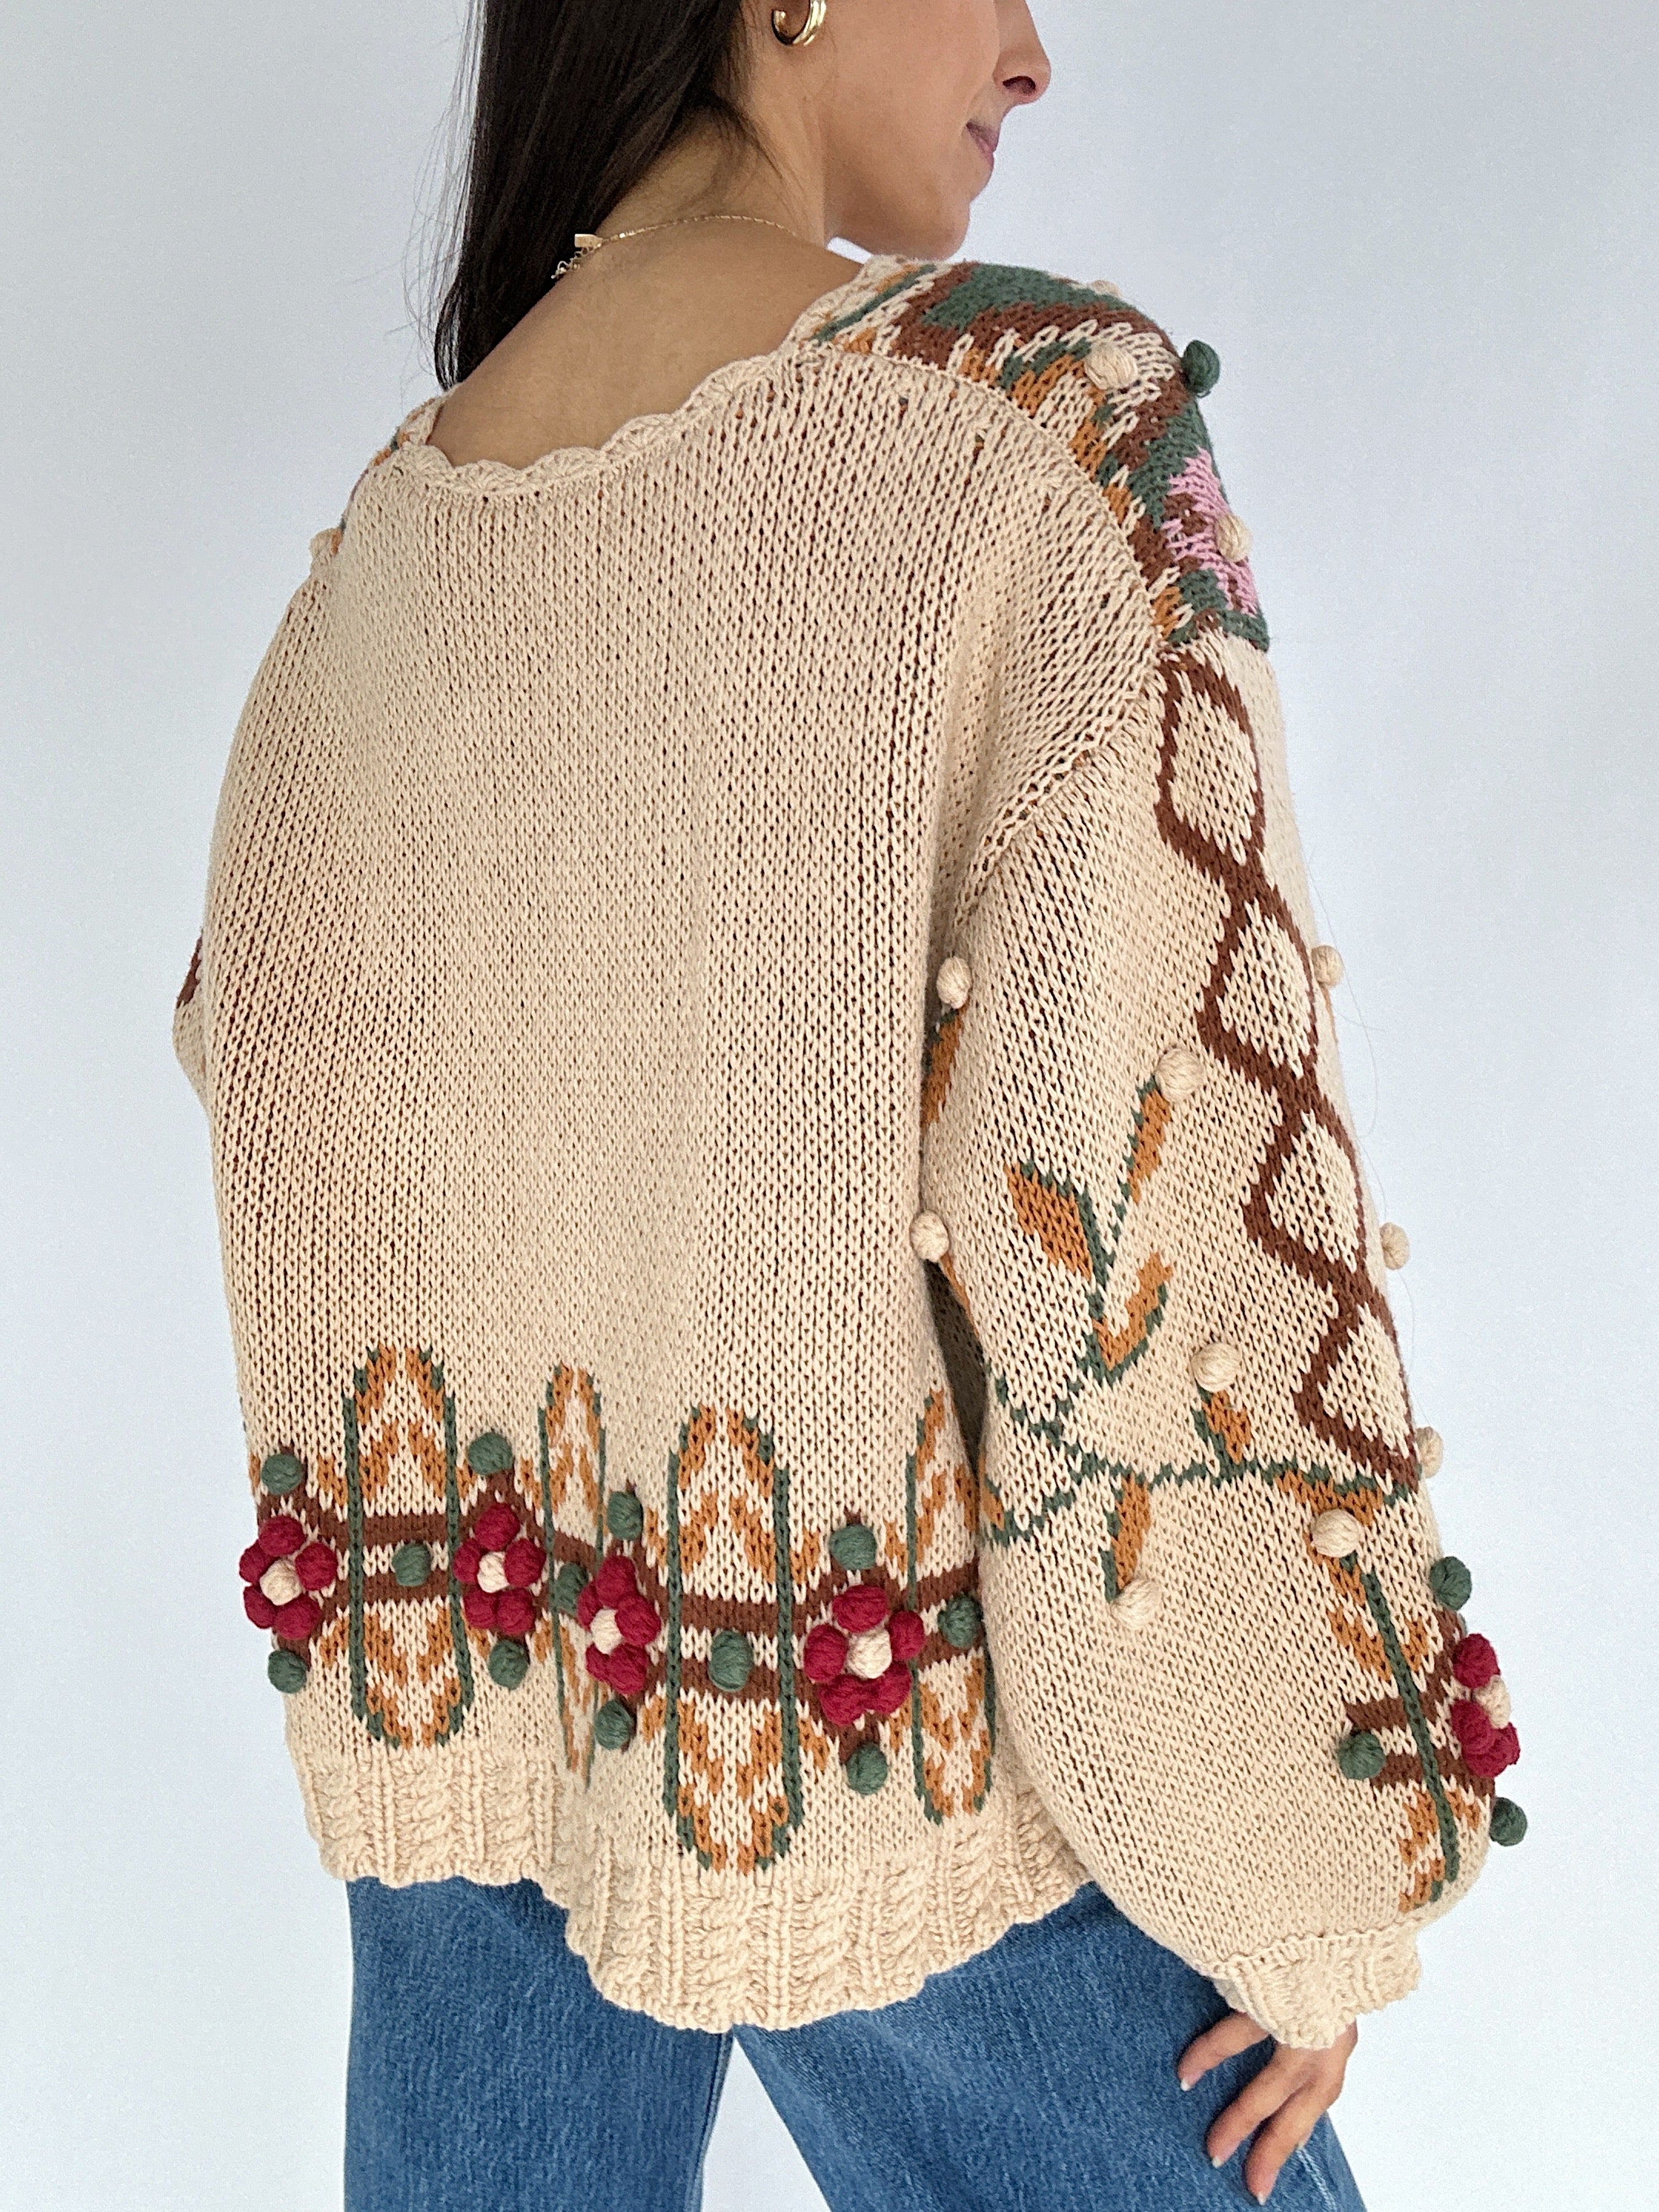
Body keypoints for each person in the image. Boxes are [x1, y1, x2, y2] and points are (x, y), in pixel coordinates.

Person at [173, 1, 1526, 2205]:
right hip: (918, 1778)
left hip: (472, 1763)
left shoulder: (379, 553)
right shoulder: (1035, 422)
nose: (1028, 51)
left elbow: (257, 1063)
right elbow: (1143, 1173)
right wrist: (1291, 1852)